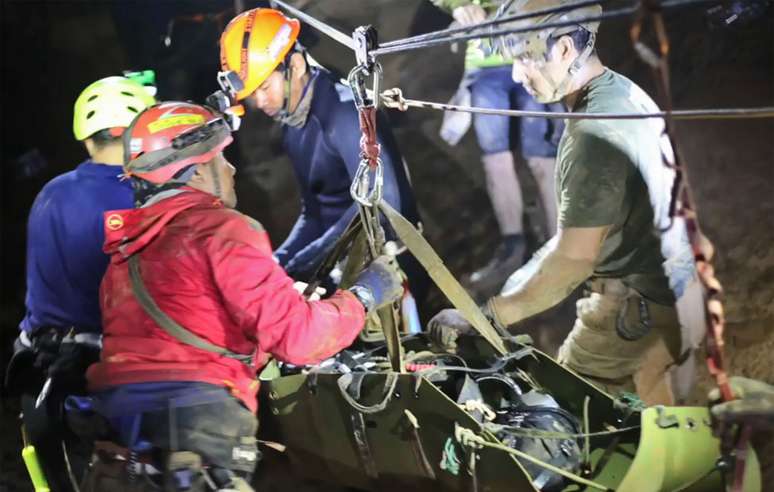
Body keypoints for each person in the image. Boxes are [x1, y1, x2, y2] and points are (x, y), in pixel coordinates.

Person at [83, 101, 403, 490]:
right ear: (199, 170)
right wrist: (365, 295)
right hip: (198, 424)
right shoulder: (221, 230)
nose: (231, 169)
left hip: (118, 432)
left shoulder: (124, 255)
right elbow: (299, 339)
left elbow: (183, 334)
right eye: (222, 158)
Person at [429, 0, 699, 403]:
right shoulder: (622, 91)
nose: (518, 75)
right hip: (681, 296)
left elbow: (572, 260)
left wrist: (485, 318)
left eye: (524, 57)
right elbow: (571, 240)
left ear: (565, 50)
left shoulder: (591, 135)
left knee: (563, 419)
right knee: (665, 438)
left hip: (633, 315)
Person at [4, 76, 155, 492]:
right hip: (110, 382)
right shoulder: (142, 199)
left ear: (87, 140)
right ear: (137, 134)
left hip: (41, 371)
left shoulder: (49, 193)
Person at [218, 8, 428, 305]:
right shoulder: (293, 122)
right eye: (253, 94)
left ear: (297, 65)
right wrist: (280, 263)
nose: (260, 101)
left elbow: (382, 206)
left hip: (390, 271)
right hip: (343, 267)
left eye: (264, 87)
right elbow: (314, 212)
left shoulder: (344, 113)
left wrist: (306, 261)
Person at [432, 0, 564, 294]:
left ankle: (561, 247)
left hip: (533, 51)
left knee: (541, 156)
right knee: (495, 158)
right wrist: (458, 5)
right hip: (484, 62)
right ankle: (513, 247)